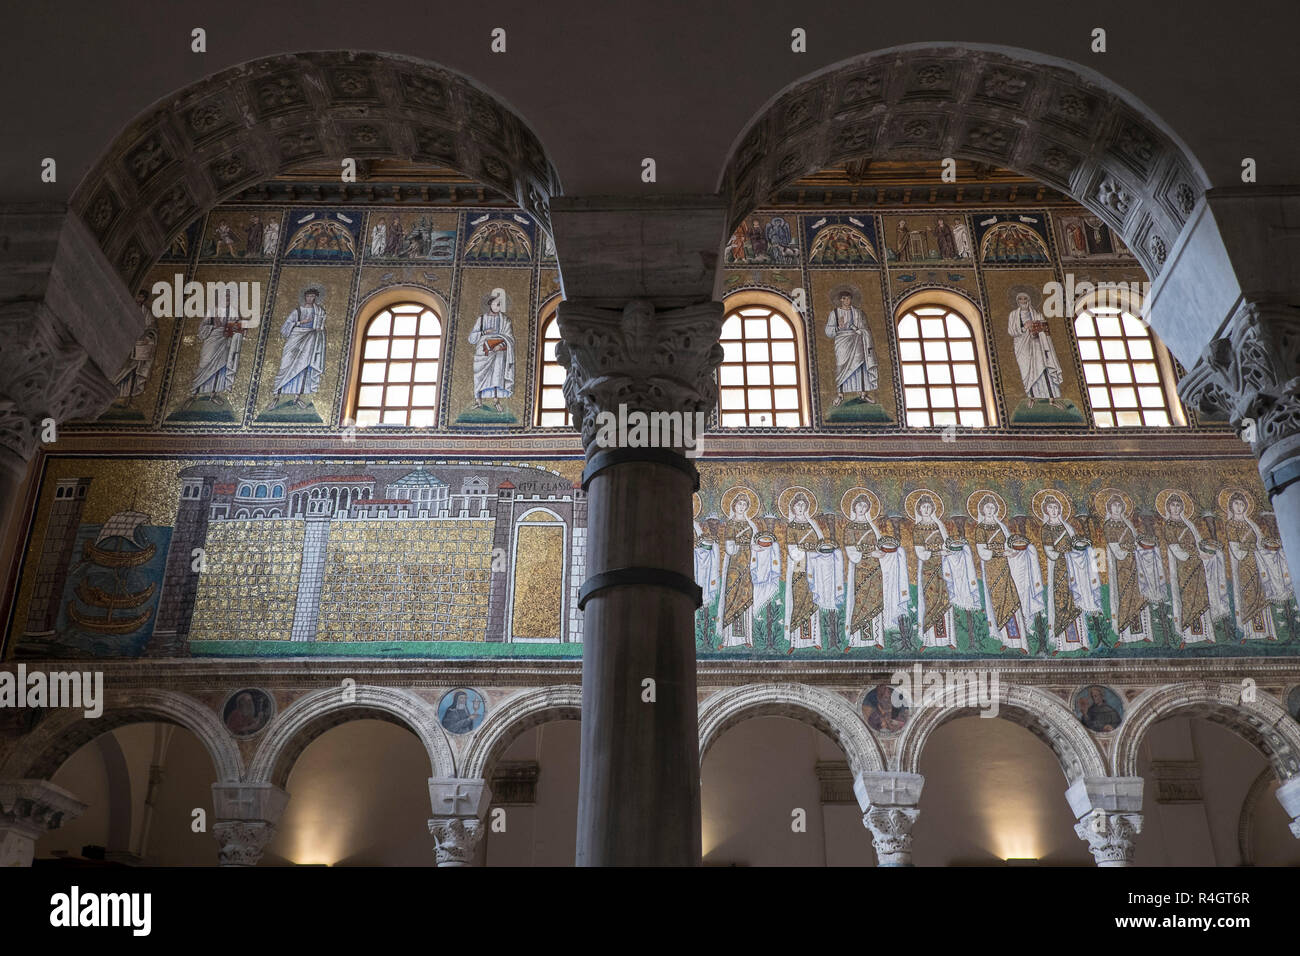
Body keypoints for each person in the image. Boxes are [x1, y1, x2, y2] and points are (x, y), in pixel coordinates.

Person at [973, 495, 1039, 653]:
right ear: (982, 509)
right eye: (987, 507)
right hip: (991, 569)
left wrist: (1020, 550)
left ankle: (1021, 642)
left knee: (1012, 600)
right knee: (998, 603)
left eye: (992, 507)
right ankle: (1006, 639)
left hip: (1006, 567)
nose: (990, 510)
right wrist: (1002, 553)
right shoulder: (980, 529)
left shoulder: (1001, 527)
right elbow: (982, 552)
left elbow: (1010, 544)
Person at [1161, 493, 1229, 647]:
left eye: (1179, 505)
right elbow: (1176, 550)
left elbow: (1198, 543)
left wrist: (1208, 549)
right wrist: (1197, 554)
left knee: (1202, 597)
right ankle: (1187, 636)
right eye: (1173, 505)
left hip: (1198, 566)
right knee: (1187, 600)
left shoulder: (1189, 524)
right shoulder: (1168, 526)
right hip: (1183, 569)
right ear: (1168, 508)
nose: (1176, 508)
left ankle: (1206, 634)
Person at [843, 495, 909, 651]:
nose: (862, 509)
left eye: (865, 507)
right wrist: (870, 553)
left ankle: (877, 639)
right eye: (859, 505)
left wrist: (889, 550)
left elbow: (880, 545)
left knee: (876, 602)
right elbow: (851, 552)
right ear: (854, 507)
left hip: (875, 570)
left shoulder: (872, 527)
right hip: (860, 570)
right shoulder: (849, 528)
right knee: (859, 603)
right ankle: (854, 640)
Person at [1038, 494, 1100, 654]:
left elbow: (1074, 543)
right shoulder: (1045, 529)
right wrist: (1064, 553)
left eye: (1056, 507)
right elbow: (1049, 552)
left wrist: (1081, 548)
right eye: (1051, 507)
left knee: (1075, 601)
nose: (1054, 510)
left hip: (1073, 568)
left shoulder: (1067, 527)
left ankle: (1082, 642)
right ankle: (1061, 644)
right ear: (1046, 510)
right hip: (1059, 569)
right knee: (1061, 603)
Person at [717, 492, 780, 649]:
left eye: (744, 505)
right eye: (739, 504)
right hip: (733, 568)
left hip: (747, 568)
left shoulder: (751, 525)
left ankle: (746, 638)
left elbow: (756, 545)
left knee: (746, 598)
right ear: (734, 505)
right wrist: (748, 546)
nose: (741, 507)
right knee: (731, 599)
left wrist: (764, 548)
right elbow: (730, 549)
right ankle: (727, 640)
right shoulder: (730, 524)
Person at [1225, 492, 1291, 641]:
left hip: (1259, 566)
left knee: (1262, 596)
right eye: (1236, 503)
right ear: (1231, 506)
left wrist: (1268, 547)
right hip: (1244, 567)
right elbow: (1236, 549)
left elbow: (1260, 543)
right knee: (1248, 597)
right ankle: (1249, 633)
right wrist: (1252, 547)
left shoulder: (1251, 524)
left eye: (1242, 504)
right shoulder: (1230, 525)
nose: (1239, 507)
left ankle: (1268, 632)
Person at [783, 493, 842, 652]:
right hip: (799, 568)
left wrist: (812, 523)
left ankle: (814, 639)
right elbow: (793, 551)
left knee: (813, 601)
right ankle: (795, 643)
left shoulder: (812, 525)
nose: (801, 508)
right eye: (797, 505)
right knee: (799, 602)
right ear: (792, 508)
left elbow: (821, 543)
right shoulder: (791, 527)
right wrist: (808, 551)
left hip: (816, 568)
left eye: (803, 505)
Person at [272, 287, 327, 407]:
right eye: (308, 296)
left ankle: (297, 397)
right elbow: (286, 326)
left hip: (310, 338)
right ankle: (277, 394)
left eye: (313, 297)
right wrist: (301, 322)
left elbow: (321, 326)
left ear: (316, 298)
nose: (310, 298)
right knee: (285, 364)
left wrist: (319, 329)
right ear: (305, 297)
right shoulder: (297, 311)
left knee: (303, 366)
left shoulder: (319, 311)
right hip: (296, 337)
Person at [1008, 292, 1065, 408]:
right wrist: (1025, 327)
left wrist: (1037, 326)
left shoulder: (1037, 314)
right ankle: (1031, 398)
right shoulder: (1013, 315)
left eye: (1025, 299)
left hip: (1038, 344)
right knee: (1028, 371)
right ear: (1017, 301)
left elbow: (1045, 327)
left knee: (1044, 368)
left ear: (1029, 300)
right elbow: (1011, 331)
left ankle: (1052, 399)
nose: (1023, 301)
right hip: (1023, 347)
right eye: (1020, 299)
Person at [824, 291, 877, 405]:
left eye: (849, 299)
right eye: (845, 299)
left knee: (860, 366)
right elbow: (828, 331)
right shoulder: (834, 313)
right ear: (841, 300)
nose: (847, 301)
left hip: (857, 341)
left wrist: (860, 330)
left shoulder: (858, 313)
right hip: (842, 342)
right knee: (841, 367)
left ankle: (863, 394)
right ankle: (840, 395)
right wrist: (838, 327)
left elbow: (865, 327)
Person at [191, 290, 243, 402]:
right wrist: (212, 327)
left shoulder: (233, 312)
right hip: (212, 338)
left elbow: (237, 327)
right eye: (226, 298)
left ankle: (213, 394)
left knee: (220, 366)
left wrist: (231, 329)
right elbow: (202, 327)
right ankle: (194, 393)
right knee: (205, 362)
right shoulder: (212, 311)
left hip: (225, 340)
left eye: (230, 298)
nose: (228, 300)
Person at [110, 290, 158, 407]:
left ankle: (125, 398)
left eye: (142, 297)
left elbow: (151, 328)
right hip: (122, 344)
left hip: (138, 345)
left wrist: (147, 335)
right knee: (121, 368)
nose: (139, 299)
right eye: (138, 296)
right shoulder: (125, 309)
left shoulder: (146, 313)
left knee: (132, 371)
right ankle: (112, 393)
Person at [468, 296, 515, 411]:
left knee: (497, 376)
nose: (498, 307)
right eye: (496, 304)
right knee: (479, 376)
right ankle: (478, 401)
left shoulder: (505, 320)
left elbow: (510, 338)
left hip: (498, 350)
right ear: (490, 305)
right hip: (483, 350)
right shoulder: (482, 319)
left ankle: (496, 401)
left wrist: (501, 345)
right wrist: (484, 332)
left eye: (499, 305)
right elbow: (471, 338)